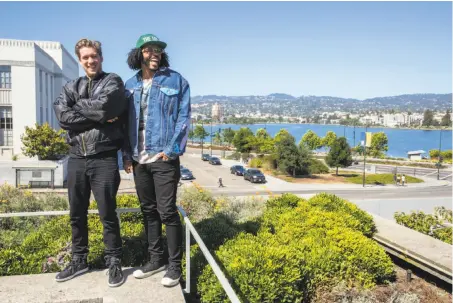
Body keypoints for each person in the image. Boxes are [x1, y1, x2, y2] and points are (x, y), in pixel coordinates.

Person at [53, 38, 127, 287]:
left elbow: (107, 107)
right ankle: (79, 260)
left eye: (94, 55)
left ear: (101, 57)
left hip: (104, 157)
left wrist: (81, 109)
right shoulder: (70, 86)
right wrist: (97, 117)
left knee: (107, 213)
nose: (90, 60)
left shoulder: (113, 81)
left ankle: (114, 261)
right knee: (76, 214)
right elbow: (63, 116)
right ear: (80, 60)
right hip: (76, 158)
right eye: (85, 57)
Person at [122, 34, 191, 287]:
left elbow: (184, 118)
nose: (155, 54)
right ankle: (155, 260)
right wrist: (126, 156)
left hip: (163, 158)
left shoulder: (176, 81)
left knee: (167, 212)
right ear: (139, 54)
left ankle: (174, 267)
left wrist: (171, 150)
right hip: (139, 160)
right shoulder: (129, 84)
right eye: (149, 50)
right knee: (148, 211)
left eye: (158, 51)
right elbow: (123, 123)